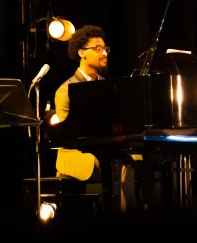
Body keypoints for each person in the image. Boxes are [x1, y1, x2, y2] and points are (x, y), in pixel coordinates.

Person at [52, 24, 141, 212]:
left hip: (104, 147)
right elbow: (66, 137)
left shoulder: (107, 87)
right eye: (98, 49)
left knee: (139, 157)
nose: (104, 53)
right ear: (82, 52)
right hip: (76, 154)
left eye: (105, 49)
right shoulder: (65, 90)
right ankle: (128, 215)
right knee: (122, 163)